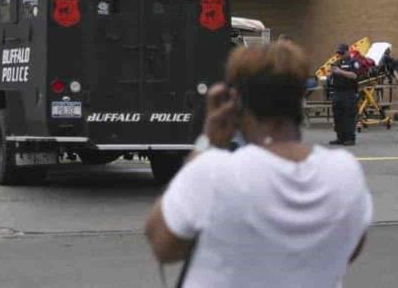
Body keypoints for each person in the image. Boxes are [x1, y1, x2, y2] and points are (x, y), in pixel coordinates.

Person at [145, 42, 372, 288]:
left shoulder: (214, 170)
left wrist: (205, 143)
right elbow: (350, 249)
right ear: (299, 98)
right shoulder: (344, 172)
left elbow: (162, 244)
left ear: (237, 102)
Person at [330, 43, 360, 146]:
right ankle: (340, 137)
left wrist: (340, 72)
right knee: (338, 115)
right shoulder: (337, 62)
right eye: (338, 53)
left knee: (348, 116)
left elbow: (354, 75)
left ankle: (350, 138)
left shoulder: (353, 62)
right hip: (337, 92)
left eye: (342, 52)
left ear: (348, 51)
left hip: (348, 92)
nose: (340, 55)